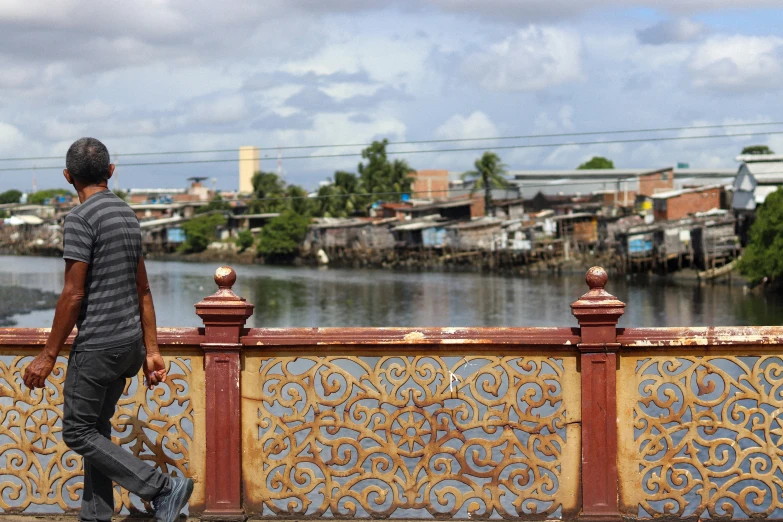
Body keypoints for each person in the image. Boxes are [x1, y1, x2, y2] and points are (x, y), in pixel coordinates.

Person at [23, 137, 193, 522]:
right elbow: (143, 289)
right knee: (96, 430)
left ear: (67, 176)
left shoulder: (80, 219)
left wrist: (48, 355)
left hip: (98, 348)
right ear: (111, 171)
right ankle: (96, 515)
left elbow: (73, 293)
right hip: (129, 346)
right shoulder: (128, 214)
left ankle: (163, 488)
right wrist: (151, 351)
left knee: (76, 433)